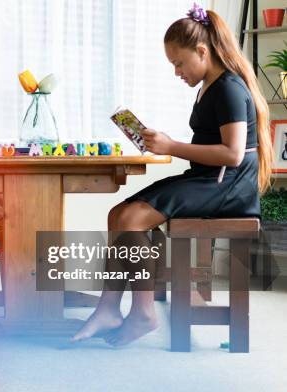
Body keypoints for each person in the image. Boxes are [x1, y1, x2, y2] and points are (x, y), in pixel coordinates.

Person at [72, 3, 272, 346]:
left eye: (179, 63)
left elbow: (234, 154)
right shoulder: (210, 86)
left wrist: (171, 146)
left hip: (227, 186)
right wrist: (162, 143)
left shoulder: (228, 88)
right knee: (117, 214)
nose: (177, 72)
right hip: (209, 179)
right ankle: (108, 308)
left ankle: (143, 312)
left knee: (132, 218)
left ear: (202, 51)